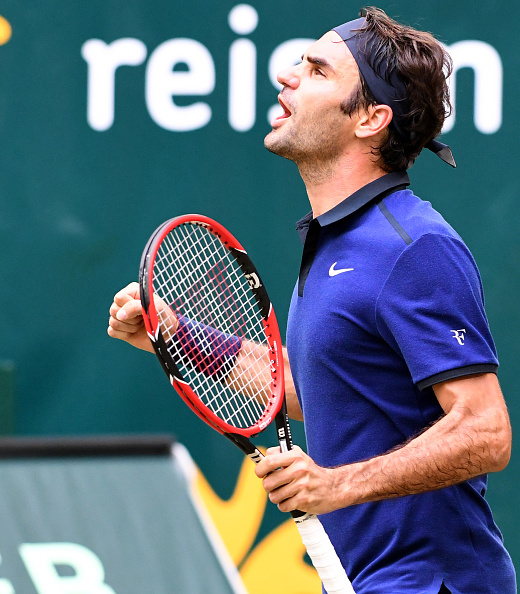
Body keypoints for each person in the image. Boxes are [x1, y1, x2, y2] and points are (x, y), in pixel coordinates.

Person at [108, 7, 516, 594]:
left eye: (318, 70)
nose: (287, 75)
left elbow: (485, 431)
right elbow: (318, 391)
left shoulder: (413, 245)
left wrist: (336, 485)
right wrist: (176, 335)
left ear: (371, 118)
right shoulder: (334, 243)